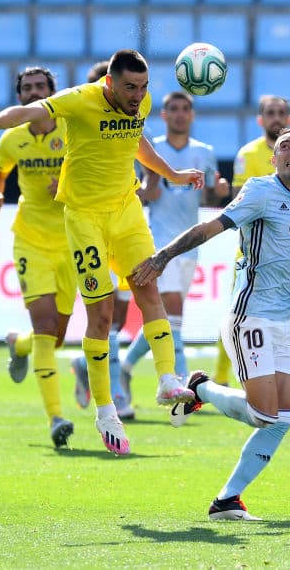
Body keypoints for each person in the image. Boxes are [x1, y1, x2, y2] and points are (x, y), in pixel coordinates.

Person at [0, 49, 205, 456]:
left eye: (144, 87)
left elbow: (137, 142)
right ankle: (105, 411)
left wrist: (173, 174)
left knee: (150, 291)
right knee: (102, 315)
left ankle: (168, 379)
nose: (138, 95)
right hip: (83, 220)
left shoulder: (140, 103)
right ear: (109, 82)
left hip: (127, 213)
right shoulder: (79, 99)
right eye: (130, 87)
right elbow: (27, 113)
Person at [131, 127, 290, 521]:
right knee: (264, 414)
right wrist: (165, 255)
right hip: (250, 316)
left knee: (284, 417)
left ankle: (227, 500)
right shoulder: (259, 190)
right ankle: (201, 387)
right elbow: (211, 227)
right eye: (284, 147)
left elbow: (285, 262)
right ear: (273, 159)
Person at [77, 91, 231, 418]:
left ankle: (127, 367)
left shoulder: (205, 153)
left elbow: (210, 194)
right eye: (173, 109)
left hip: (187, 244)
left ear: (191, 115)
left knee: (168, 318)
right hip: (156, 242)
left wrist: (219, 190)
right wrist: (150, 188)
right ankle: (182, 382)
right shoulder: (151, 147)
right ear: (164, 115)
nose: (179, 114)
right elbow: (138, 192)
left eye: (184, 109)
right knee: (171, 311)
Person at [0, 66, 76, 448]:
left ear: (53, 94)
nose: (34, 93)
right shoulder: (14, 138)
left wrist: (69, 182)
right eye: (27, 88)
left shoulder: (72, 131)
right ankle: (56, 417)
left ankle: (17, 344)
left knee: (54, 337)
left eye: (41, 87)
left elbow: (99, 172)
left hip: (74, 240)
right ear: (19, 96)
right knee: (44, 328)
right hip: (31, 240)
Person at [210, 95, 290, 386]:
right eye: (270, 113)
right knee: (237, 312)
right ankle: (220, 377)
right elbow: (237, 204)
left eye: (282, 113)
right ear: (260, 119)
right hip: (252, 256)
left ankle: (283, 371)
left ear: (289, 119)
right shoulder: (248, 154)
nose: (276, 118)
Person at [69, 60, 140, 416]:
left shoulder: (130, 122)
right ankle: (115, 394)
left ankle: (86, 367)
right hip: (90, 226)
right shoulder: (80, 123)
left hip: (125, 223)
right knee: (105, 312)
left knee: (121, 317)